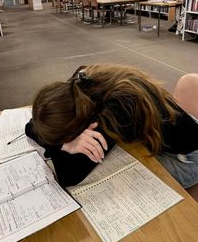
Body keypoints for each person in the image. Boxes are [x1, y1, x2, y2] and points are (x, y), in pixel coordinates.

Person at [25, 64, 198, 192]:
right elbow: (30, 126)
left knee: (129, 181)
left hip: (188, 158)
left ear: (77, 127)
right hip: (171, 130)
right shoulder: (78, 85)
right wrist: (64, 145)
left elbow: (68, 175)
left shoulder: (115, 111)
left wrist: (59, 145)